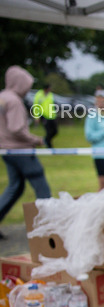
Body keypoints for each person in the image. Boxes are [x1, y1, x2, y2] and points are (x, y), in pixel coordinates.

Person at [0, 66, 50, 232]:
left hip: (6, 150)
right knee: (41, 187)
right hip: (20, 150)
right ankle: (50, 225)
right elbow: (16, 129)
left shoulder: (2, 97)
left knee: (15, 187)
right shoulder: (14, 101)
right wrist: (35, 139)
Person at [32, 82, 59, 149]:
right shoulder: (39, 95)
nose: (50, 89)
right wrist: (36, 117)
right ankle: (49, 145)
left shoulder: (50, 95)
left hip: (52, 116)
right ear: (46, 89)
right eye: (49, 88)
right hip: (44, 116)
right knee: (48, 131)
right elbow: (36, 106)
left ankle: (45, 140)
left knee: (55, 131)